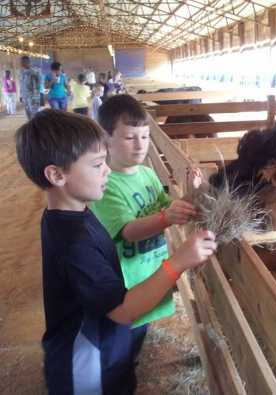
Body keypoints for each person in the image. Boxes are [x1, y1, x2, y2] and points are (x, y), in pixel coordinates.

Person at [15, 109, 216, 394]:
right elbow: (122, 311)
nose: (107, 170)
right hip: (85, 364)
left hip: (104, 345)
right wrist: (179, 262)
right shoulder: (74, 242)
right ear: (57, 174)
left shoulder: (74, 213)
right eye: (97, 164)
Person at [91, 94, 202, 330]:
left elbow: (171, 209)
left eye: (145, 136)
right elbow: (128, 231)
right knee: (122, 338)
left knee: (140, 332)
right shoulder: (106, 185)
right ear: (106, 139)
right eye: (130, 137)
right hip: (127, 281)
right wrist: (165, 218)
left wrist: (192, 193)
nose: (141, 145)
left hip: (151, 271)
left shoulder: (148, 175)